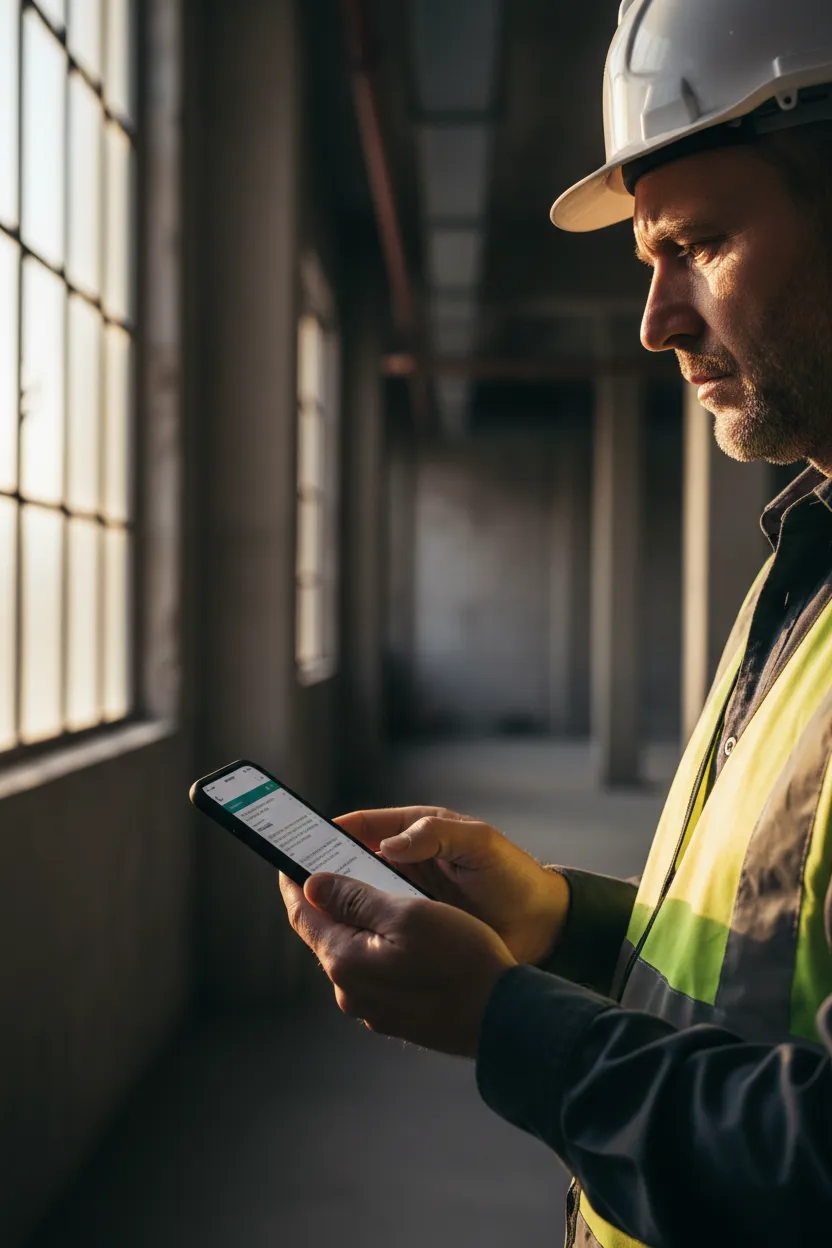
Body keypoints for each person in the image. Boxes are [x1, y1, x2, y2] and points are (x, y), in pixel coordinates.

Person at [279, 1, 832, 1243]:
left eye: (698, 245)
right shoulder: (805, 556)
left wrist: (506, 1022)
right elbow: (773, 945)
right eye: (648, 262)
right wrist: (556, 920)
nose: (656, 321)